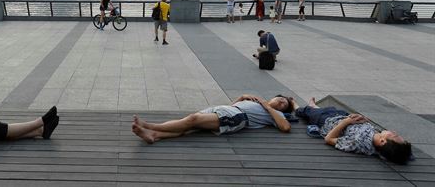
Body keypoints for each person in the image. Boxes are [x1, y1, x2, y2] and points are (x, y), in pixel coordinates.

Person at [131, 94, 293, 144]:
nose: (281, 103)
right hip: (227, 110)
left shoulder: (274, 113)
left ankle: (150, 126)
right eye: (280, 100)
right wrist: (242, 97)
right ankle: (154, 136)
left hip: (237, 117)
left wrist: (269, 107)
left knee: (192, 120)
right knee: (188, 125)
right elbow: (232, 105)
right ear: (274, 97)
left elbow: (285, 127)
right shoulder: (257, 101)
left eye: (283, 104)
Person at [294, 98, 412, 165]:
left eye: (395, 135)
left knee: (306, 111)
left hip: (327, 121)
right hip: (341, 117)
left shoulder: (358, 142)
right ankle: (314, 106)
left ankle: (295, 105)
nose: (395, 131)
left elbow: (328, 139)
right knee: (329, 109)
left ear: (382, 142)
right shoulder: (377, 138)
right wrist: (363, 119)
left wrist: (346, 122)